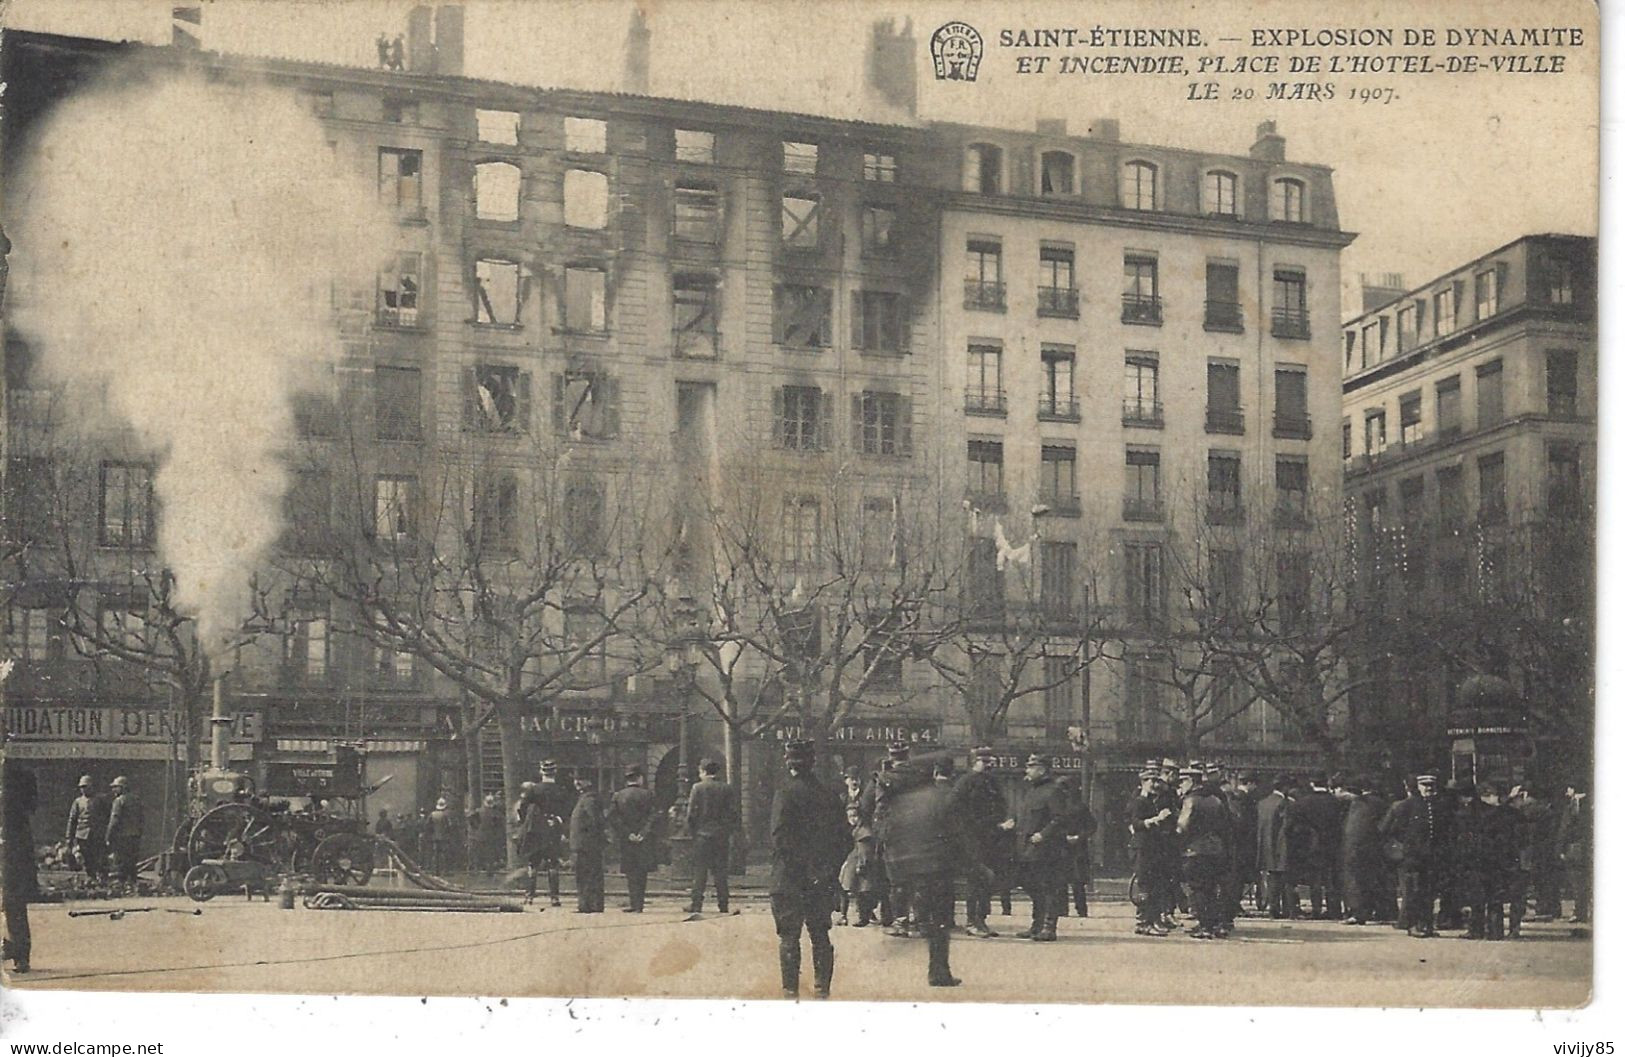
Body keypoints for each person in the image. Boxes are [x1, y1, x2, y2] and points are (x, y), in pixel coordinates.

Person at [884, 754, 978, 987]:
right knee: (941, 920)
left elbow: (887, 832)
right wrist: (974, 865)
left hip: (904, 867)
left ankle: (912, 930)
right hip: (936, 867)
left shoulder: (901, 801)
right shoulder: (943, 797)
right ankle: (938, 970)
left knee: (924, 914)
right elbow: (959, 835)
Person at [768, 740, 847, 999]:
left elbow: (779, 839)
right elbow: (845, 839)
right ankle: (822, 990)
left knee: (789, 937)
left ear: (788, 762)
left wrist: (799, 868)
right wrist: (825, 871)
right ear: (812, 762)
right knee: (820, 935)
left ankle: (790, 992)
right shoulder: (829, 794)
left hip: (789, 879)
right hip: (820, 880)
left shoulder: (784, 792)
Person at [1380, 772, 1452, 937]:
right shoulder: (1406, 805)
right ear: (1418, 787)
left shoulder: (1439, 806)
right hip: (1412, 856)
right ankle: (1412, 925)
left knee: (1429, 892)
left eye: (1431, 786)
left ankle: (1427, 925)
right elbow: (1390, 830)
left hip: (1432, 856)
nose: (1428, 789)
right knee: (1413, 891)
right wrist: (1405, 846)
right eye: (1425, 786)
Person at [951, 746, 1013, 937]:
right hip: (973, 840)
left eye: (990, 762)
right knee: (976, 880)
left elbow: (1001, 807)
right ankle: (972, 921)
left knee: (987, 881)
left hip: (992, 840)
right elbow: (961, 815)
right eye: (984, 761)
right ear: (973, 762)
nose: (988, 765)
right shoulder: (965, 783)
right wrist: (996, 827)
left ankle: (981, 920)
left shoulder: (992, 782)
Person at [1012, 753, 1069, 942]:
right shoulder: (1031, 791)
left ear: (1042, 770)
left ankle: (1048, 927)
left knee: (1048, 887)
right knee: (1032, 885)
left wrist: (1043, 834)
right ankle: (1036, 925)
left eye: (1031, 767)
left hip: (1047, 849)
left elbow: (1060, 818)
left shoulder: (1054, 790)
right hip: (1028, 848)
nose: (1027, 770)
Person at [1175, 764, 1231, 939]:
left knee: (1197, 888)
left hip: (1195, 850)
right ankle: (1214, 924)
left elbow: (1182, 827)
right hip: (1216, 850)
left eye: (1183, 781)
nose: (1181, 786)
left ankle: (1204, 925)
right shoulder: (1215, 800)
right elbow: (1226, 825)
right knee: (1211, 888)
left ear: (1191, 781)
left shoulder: (1190, 800)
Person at [684, 758, 738, 916]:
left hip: (702, 836)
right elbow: (733, 814)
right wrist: (727, 831)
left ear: (703, 771)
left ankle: (696, 904)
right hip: (721, 836)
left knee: (700, 871)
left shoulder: (697, 788)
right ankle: (723, 904)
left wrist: (693, 832)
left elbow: (691, 814)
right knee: (720, 871)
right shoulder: (726, 788)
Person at [2, 759, 39, 973]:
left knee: (13, 903)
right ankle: (16, 951)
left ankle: (18, 952)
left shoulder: (15, 776)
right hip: (14, 847)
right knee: (13, 904)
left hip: (11, 849)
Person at [1128, 765, 1174, 935]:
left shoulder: (1153, 801)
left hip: (1154, 848)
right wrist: (1156, 819)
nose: (1155, 784)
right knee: (1145, 884)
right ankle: (1144, 922)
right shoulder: (1139, 801)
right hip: (1143, 848)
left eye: (1156, 781)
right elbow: (1136, 823)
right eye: (1151, 781)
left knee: (1155, 884)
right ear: (1143, 782)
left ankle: (1153, 920)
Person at [607, 765, 657, 912]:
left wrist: (627, 833)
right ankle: (638, 904)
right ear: (640, 778)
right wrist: (643, 832)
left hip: (627, 839)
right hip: (644, 839)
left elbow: (613, 817)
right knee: (642, 871)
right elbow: (654, 816)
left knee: (631, 871)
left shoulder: (618, 796)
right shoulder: (649, 795)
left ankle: (633, 902)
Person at [1339, 777, 1387, 925]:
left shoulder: (1357, 804)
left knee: (1355, 880)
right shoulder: (1380, 803)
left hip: (1354, 848)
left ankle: (1357, 912)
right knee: (1372, 879)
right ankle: (1377, 910)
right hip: (1374, 847)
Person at [532, 761, 573, 906]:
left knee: (533, 863)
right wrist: (559, 822)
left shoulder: (534, 789)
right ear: (555, 773)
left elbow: (524, 808)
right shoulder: (561, 790)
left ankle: (529, 896)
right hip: (554, 828)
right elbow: (567, 810)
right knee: (553, 863)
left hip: (536, 830)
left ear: (541, 772)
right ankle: (554, 897)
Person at [1255, 774, 1292, 918]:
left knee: (1271, 878)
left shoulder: (1262, 803)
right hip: (1281, 845)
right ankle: (1286, 909)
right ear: (1285, 787)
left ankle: (1272, 907)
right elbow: (1287, 825)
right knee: (1285, 880)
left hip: (1265, 846)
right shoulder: (1284, 803)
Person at [569, 777, 606, 913]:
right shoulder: (585, 798)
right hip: (585, 844)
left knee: (587, 875)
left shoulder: (590, 799)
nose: (577, 783)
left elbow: (595, 821)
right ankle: (587, 905)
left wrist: (588, 838)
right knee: (585, 875)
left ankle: (590, 905)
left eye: (581, 780)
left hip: (587, 845)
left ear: (588, 782)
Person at [65, 775, 110, 885]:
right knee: (87, 857)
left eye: (86, 787)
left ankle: (102, 878)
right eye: (82, 787)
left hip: (97, 833)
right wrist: (69, 837)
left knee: (99, 857)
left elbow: (108, 816)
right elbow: (72, 820)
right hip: (82, 834)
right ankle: (91, 877)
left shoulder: (100, 800)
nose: (84, 789)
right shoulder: (78, 802)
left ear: (92, 787)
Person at [1557, 780, 1591, 923]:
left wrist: (1560, 848)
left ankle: (1580, 912)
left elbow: (1566, 829)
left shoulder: (1573, 805)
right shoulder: (1591, 802)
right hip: (1587, 847)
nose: (1566, 792)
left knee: (1577, 881)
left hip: (1574, 848)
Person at [105, 775, 143, 888]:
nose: (113, 790)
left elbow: (114, 820)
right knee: (132, 861)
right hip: (135, 835)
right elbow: (141, 818)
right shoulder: (136, 799)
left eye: (115, 787)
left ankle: (121, 884)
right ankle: (132, 883)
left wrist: (108, 836)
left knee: (121, 861)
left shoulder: (119, 801)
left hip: (122, 836)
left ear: (122, 788)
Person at [514, 782, 548, 904]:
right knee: (548, 864)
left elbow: (520, 820)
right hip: (541, 835)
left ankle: (529, 895)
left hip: (529, 836)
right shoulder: (542, 807)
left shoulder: (524, 806)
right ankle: (554, 897)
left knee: (531, 866)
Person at [429, 795, 456, 875]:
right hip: (444, 837)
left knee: (435, 854)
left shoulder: (432, 814)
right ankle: (445, 871)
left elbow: (428, 825)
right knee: (445, 854)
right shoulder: (445, 815)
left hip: (435, 837)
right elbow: (449, 826)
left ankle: (436, 871)